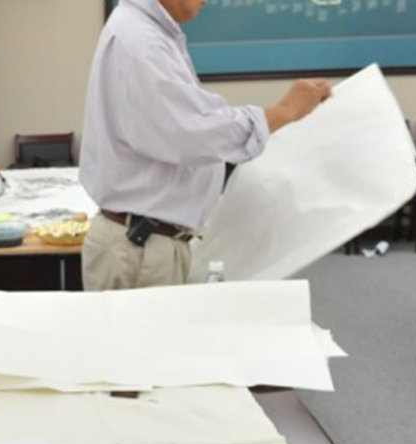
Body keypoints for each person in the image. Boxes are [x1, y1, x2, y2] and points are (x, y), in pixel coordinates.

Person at [80, 0, 331, 290]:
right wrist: (284, 111)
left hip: (144, 242)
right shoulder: (141, 41)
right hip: (140, 250)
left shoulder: (145, 31)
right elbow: (190, 132)